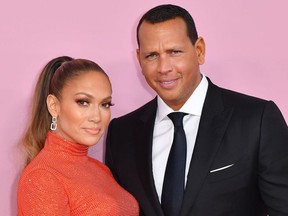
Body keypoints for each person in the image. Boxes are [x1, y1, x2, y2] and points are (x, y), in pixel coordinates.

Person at [105, 4, 288, 216]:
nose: (164, 68)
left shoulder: (257, 120)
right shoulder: (121, 134)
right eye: (152, 56)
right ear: (139, 60)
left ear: (199, 50)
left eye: (174, 52)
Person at [17, 56, 139, 215]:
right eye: (83, 102)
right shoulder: (42, 176)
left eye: (105, 104)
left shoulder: (101, 169)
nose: (96, 117)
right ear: (54, 106)